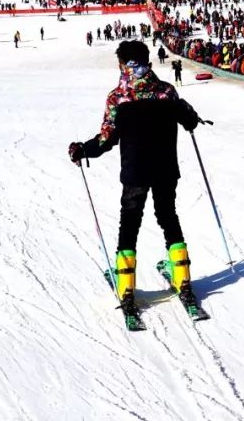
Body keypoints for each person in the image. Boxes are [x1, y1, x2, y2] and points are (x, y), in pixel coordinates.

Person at [67, 41, 202, 316]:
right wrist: (190, 119)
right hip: (165, 168)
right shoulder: (166, 92)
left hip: (135, 171)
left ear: (122, 64)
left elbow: (106, 140)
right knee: (168, 216)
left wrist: (83, 149)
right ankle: (182, 277)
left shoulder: (119, 97)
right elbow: (188, 118)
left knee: (130, 223)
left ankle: (127, 285)